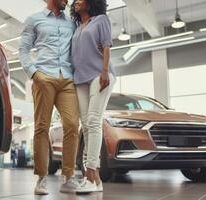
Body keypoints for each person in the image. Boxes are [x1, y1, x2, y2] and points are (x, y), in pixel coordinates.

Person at [19, 0, 80, 195]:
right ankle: (41, 178)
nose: (68, 1)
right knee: (42, 127)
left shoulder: (71, 22)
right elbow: (23, 50)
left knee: (71, 124)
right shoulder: (34, 20)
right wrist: (35, 74)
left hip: (67, 79)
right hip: (44, 76)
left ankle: (68, 177)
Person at [70, 0, 116, 193]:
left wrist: (104, 71)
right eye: (75, 1)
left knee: (94, 121)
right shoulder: (76, 26)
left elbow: (106, 46)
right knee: (86, 126)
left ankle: (90, 173)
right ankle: (93, 179)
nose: (77, 2)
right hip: (80, 79)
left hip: (100, 75)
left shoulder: (101, 20)